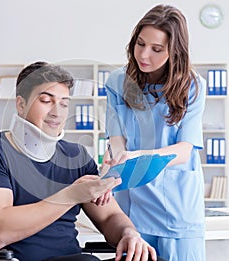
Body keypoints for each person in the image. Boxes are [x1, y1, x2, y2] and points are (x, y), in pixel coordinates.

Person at [0, 61, 158, 261]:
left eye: (64, 103)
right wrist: (70, 195)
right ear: (21, 104)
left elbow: (109, 216)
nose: (57, 112)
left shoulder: (76, 156)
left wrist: (129, 233)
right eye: (46, 101)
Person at [103, 4, 206, 261]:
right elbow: (116, 139)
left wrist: (138, 155)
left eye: (157, 49)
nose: (144, 54)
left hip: (177, 207)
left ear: (174, 51)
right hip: (131, 208)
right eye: (140, 43)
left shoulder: (192, 86)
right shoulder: (117, 82)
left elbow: (185, 149)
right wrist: (116, 159)